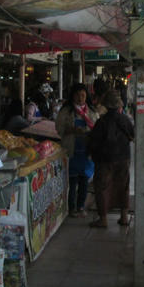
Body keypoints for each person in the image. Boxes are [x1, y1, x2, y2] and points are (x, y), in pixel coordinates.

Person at [87, 89, 135, 228]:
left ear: (106, 105)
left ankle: (103, 219)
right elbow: (132, 135)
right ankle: (124, 217)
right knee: (123, 186)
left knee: (102, 187)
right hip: (123, 158)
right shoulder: (125, 119)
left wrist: (90, 151)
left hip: (105, 159)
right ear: (119, 105)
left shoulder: (102, 121)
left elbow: (94, 141)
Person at [55, 82, 98, 217]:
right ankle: (71, 208)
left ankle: (80, 207)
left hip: (86, 151)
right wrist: (71, 130)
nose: (80, 98)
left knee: (84, 181)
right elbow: (59, 128)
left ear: (86, 96)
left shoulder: (92, 112)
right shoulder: (66, 111)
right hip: (71, 150)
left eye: (83, 95)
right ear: (72, 96)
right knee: (72, 182)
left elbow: (97, 128)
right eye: (77, 95)